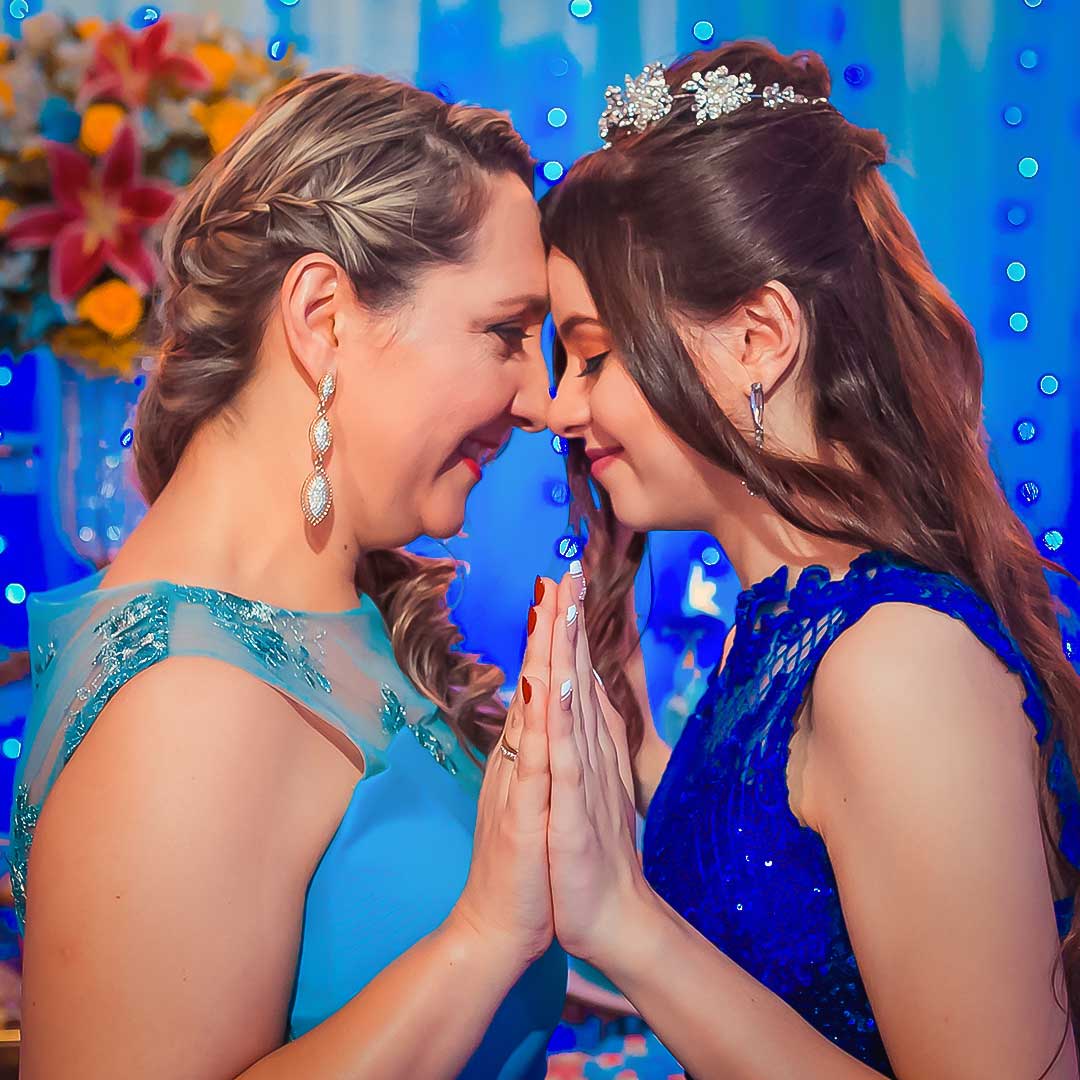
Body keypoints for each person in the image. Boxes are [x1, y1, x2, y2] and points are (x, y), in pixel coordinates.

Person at [539, 40, 1080, 1080]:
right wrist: (626, 769)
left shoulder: (898, 663)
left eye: (594, 354)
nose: (561, 407)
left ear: (759, 337)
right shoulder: (788, 634)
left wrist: (624, 922)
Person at [11, 70, 568, 1078]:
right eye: (505, 333)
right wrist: (483, 941)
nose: (542, 400)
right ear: (323, 316)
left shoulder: (327, 615)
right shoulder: (187, 706)